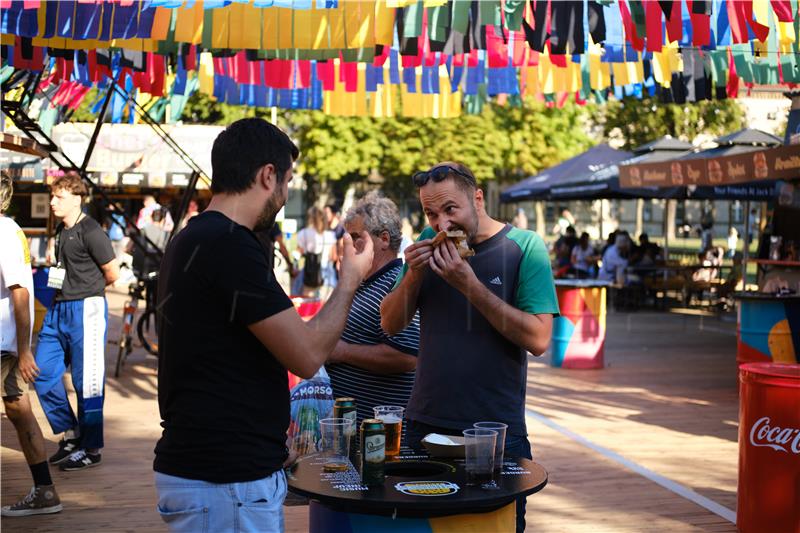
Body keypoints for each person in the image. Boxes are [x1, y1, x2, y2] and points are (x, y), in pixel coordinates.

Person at [153, 118, 373, 533]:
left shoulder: (194, 237)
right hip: (224, 480)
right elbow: (306, 355)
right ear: (267, 175)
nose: (286, 194)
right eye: (287, 182)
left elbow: (227, 356)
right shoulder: (229, 245)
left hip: (216, 469)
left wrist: (268, 442)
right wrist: (350, 279)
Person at [380, 162, 559, 533]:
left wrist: (470, 285)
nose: (441, 223)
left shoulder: (524, 247)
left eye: (450, 209)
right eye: (431, 212)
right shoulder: (428, 246)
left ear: (477, 199)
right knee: (422, 528)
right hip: (424, 426)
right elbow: (390, 323)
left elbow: (540, 339)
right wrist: (413, 274)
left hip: (495, 433)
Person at [33, 172, 119, 471]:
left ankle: (91, 448)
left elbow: (113, 273)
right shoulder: (61, 231)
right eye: (53, 196)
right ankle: (71, 433)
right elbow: (60, 268)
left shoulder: (91, 230)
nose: (53, 201)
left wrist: (88, 292)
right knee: (42, 372)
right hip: (58, 310)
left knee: (88, 382)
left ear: (76, 199)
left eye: (59, 197)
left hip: (86, 309)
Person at [325, 192, 420, 432]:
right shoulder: (362, 282)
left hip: (382, 436)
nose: (348, 244)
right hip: (356, 432)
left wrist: (342, 352)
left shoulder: (397, 285)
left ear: (384, 240)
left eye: (356, 237)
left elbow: (407, 357)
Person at [0, 173, 62, 517]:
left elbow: (21, 291)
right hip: (6, 342)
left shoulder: (5, 232)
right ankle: (45, 490)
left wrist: (24, 349)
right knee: (18, 412)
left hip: (4, 343)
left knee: (20, 412)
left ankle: (45, 491)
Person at [293, 206, 338, 298]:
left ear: (310, 218)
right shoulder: (330, 235)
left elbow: (297, 253)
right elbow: (333, 257)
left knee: (309, 307)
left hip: (309, 276)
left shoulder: (303, 234)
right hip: (326, 276)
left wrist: (295, 265)